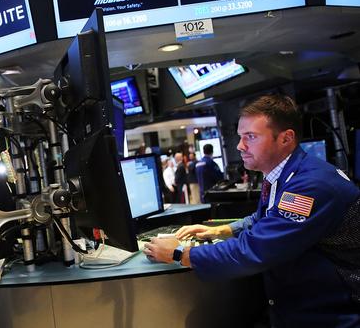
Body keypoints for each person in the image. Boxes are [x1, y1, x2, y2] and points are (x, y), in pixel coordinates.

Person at [143, 94, 360, 327]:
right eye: (240, 136)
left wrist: (178, 254)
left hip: (332, 314)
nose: (240, 146)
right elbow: (265, 217)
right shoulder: (287, 173)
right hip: (303, 304)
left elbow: (254, 250)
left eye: (251, 137)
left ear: (286, 138)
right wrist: (222, 230)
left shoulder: (310, 185)